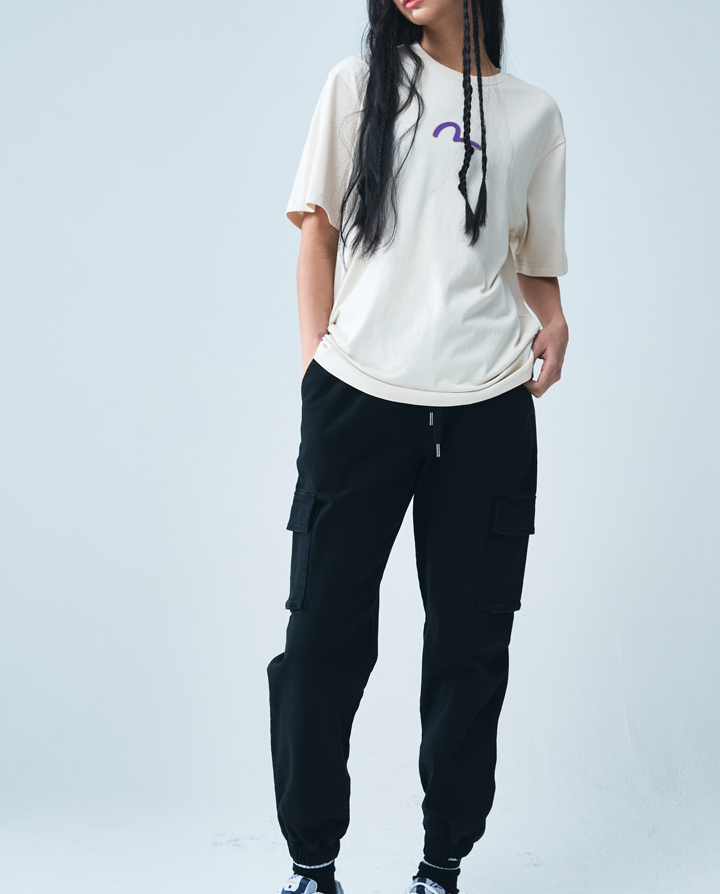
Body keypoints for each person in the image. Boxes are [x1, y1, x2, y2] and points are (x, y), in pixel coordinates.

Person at [267, 1, 570, 893]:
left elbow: (530, 249)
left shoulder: (532, 113)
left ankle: (442, 866)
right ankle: (311, 865)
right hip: (357, 397)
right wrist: (317, 368)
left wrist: (553, 317)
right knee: (320, 638)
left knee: (470, 646)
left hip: (487, 408)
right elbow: (317, 234)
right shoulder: (359, 85)